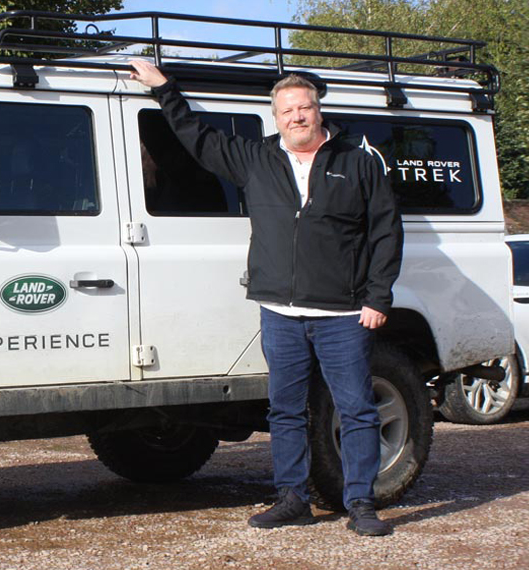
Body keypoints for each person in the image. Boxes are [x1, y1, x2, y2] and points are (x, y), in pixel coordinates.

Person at [129, 59, 403, 537]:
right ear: (274, 117)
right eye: (287, 110)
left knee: (356, 408)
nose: (297, 116)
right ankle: (292, 497)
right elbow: (197, 137)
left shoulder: (357, 163)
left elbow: (386, 233)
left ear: (319, 111)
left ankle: (360, 502)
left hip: (343, 312)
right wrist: (164, 88)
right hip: (280, 311)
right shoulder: (256, 158)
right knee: (285, 409)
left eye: (305, 107)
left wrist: (378, 297)